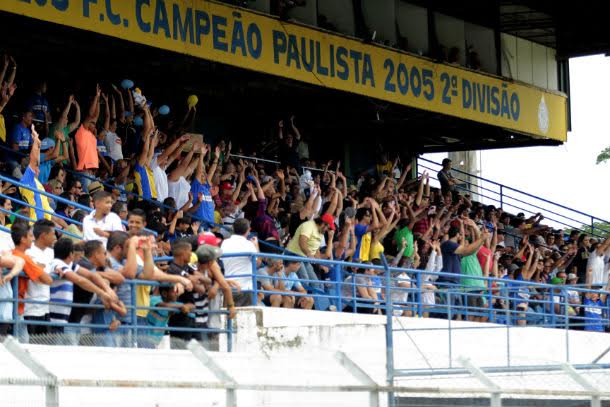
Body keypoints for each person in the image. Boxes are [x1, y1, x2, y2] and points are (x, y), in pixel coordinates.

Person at [23, 219, 57, 336]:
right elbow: (38, 275)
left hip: (47, 308)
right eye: (52, 234)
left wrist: (41, 269)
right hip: (29, 308)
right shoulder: (28, 251)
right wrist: (40, 270)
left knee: (44, 344)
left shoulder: (52, 253)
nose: (55, 237)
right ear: (43, 236)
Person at [220, 218, 260, 307]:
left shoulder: (225, 243)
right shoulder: (249, 244)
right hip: (244, 288)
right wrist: (256, 245)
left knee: (228, 314)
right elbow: (257, 263)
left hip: (228, 285)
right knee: (247, 314)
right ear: (248, 230)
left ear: (233, 229)